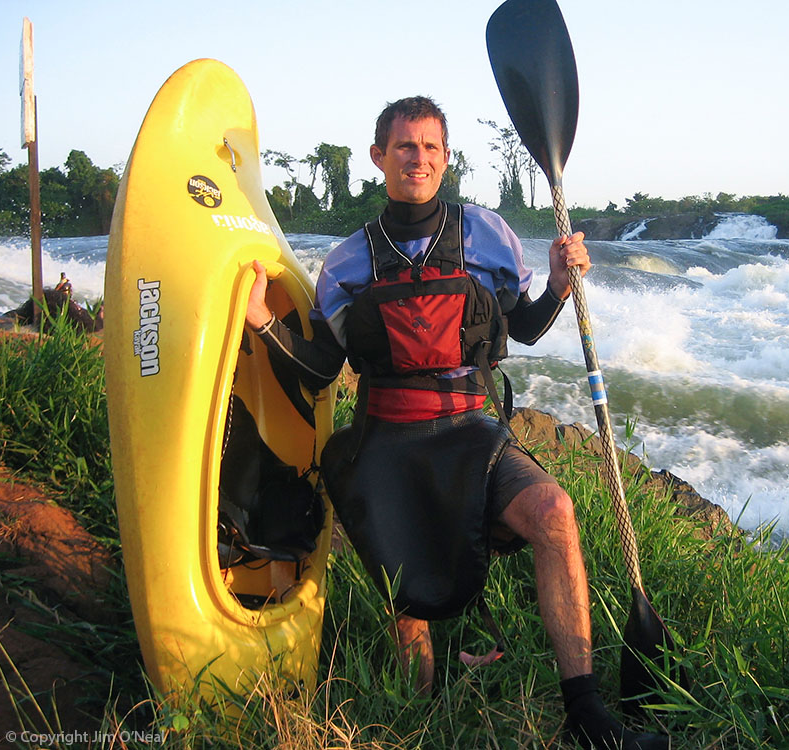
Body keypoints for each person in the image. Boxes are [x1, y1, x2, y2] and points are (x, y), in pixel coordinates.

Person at [245, 96, 668, 750]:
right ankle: (419, 709)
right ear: (379, 156)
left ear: (446, 160)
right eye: (406, 146)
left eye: (432, 148)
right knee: (404, 578)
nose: (419, 158)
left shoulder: (489, 236)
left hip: (474, 431)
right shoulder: (348, 262)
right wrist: (262, 324)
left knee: (554, 511)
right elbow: (321, 369)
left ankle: (585, 714)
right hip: (387, 440)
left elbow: (520, 327)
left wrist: (557, 284)